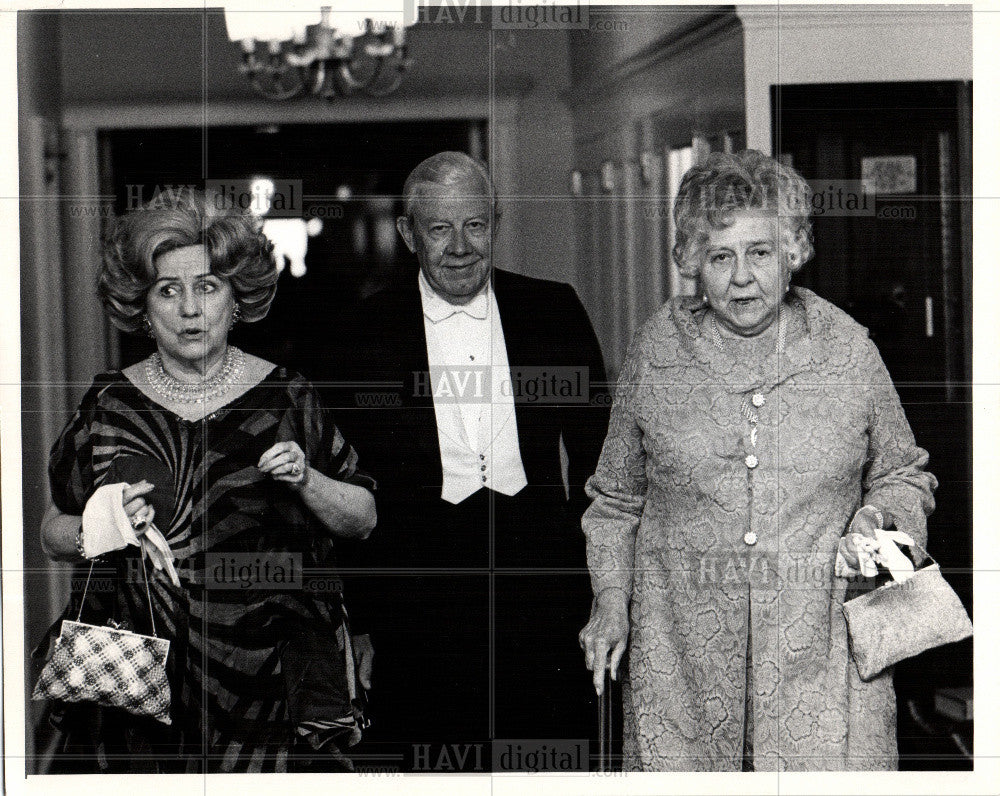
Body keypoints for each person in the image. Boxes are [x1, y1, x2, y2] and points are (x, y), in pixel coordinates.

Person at [578, 149, 938, 771]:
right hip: (683, 668)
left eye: (760, 253)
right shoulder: (657, 351)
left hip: (823, 662)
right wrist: (610, 602)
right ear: (693, 262)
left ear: (794, 252)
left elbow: (904, 473)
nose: (741, 276)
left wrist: (879, 530)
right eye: (721, 256)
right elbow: (615, 500)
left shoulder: (849, 350)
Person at [35, 188, 377, 773]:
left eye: (208, 286)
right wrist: (106, 523)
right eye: (169, 290)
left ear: (236, 299)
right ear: (141, 306)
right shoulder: (109, 405)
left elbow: (363, 517)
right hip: (139, 679)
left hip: (270, 684)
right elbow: (52, 534)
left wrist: (306, 479)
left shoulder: (286, 396)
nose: (190, 309)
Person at [325, 152, 610, 771]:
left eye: (475, 226)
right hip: (418, 590)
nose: (459, 247)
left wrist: (603, 590)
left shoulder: (551, 310)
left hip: (540, 584)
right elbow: (346, 490)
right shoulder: (361, 334)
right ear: (406, 234)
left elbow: (603, 464)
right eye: (439, 228)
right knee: (427, 768)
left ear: (495, 225)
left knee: (549, 762)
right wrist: (363, 619)